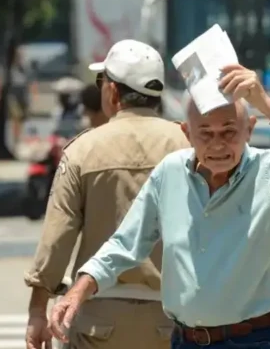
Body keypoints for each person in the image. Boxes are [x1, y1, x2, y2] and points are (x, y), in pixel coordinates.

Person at [49, 64, 270, 348]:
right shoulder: (170, 172)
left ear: (249, 129)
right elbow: (126, 243)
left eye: (229, 132)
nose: (218, 145)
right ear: (187, 134)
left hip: (256, 339)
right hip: (186, 340)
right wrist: (78, 292)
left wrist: (265, 103)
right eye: (206, 133)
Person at [24, 40, 190, 349]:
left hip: (96, 316)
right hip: (175, 316)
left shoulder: (82, 150)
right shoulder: (189, 145)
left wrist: (37, 310)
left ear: (112, 92)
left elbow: (56, 238)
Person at [8, 47, 37, 147]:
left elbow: (30, 83)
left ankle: (18, 139)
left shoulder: (24, 69)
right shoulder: (10, 68)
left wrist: (31, 97)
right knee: (16, 117)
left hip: (22, 94)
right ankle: (15, 139)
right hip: (13, 94)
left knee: (22, 119)